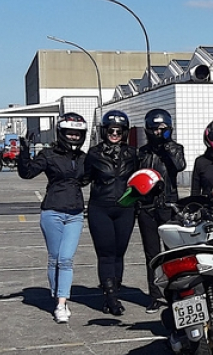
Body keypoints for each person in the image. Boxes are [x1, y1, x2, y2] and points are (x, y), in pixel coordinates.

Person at [17, 113, 89, 323]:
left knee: (66, 259)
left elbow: (93, 177)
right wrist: (24, 152)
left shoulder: (85, 158)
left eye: (77, 134)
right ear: (62, 133)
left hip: (76, 213)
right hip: (52, 212)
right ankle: (57, 296)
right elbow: (27, 173)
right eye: (70, 133)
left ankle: (61, 303)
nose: (74, 137)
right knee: (55, 258)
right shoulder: (48, 155)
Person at [83, 110, 140, 315]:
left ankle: (115, 289)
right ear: (104, 131)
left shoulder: (133, 154)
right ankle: (111, 298)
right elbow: (83, 178)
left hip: (126, 208)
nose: (114, 133)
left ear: (124, 132)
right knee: (106, 254)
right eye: (111, 130)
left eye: (118, 130)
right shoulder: (94, 154)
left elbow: (140, 178)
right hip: (101, 208)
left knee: (119, 253)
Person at [137, 108, 186, 313]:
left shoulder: (175, 148)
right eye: (155, 129)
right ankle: (155, 295)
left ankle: (176, 293)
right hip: (147, 208)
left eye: (163, 128)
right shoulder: (142, 153)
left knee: (173, 253)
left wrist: (167, 146)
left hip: (168, 206)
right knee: (152, 255)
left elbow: (180, 166)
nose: (158, 132)